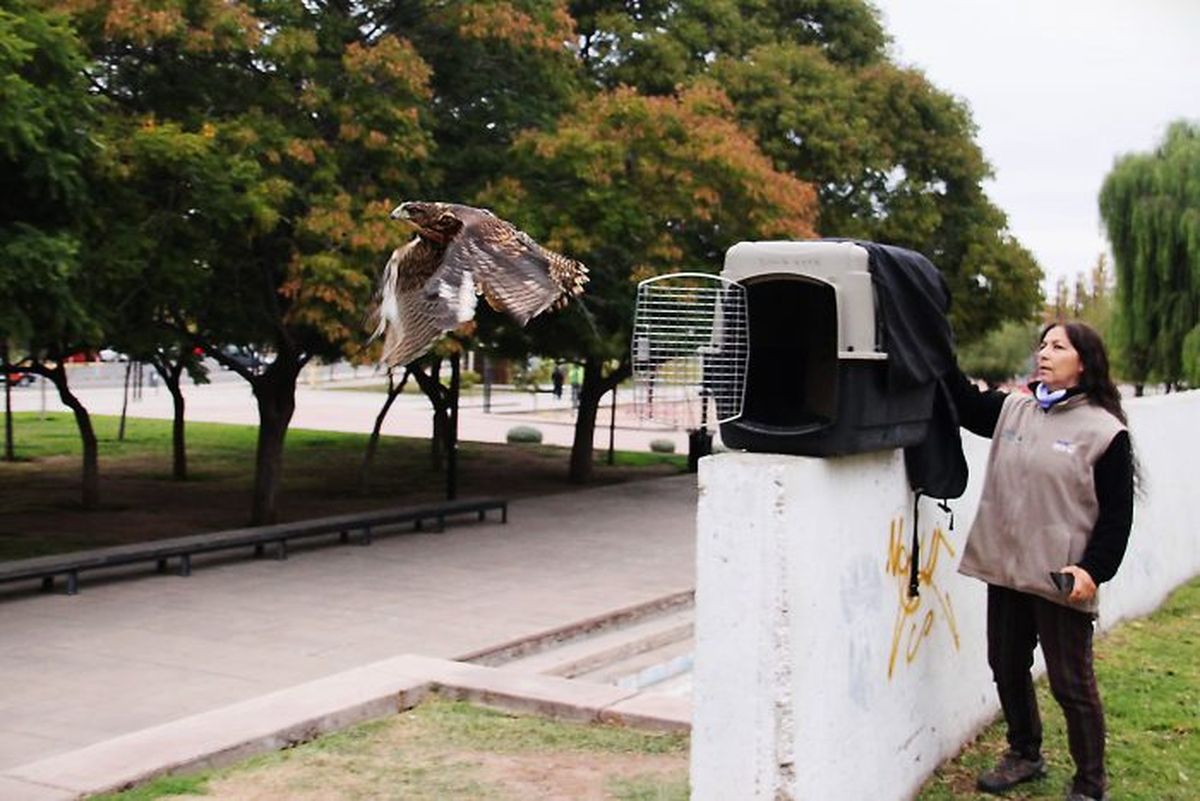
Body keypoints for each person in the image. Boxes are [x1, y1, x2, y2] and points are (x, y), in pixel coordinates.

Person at [950, 321, 1135, 801]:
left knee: (1071, 684)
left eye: (1058, 346)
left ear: (1083, 363)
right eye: (1043, 345)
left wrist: (1093, 571)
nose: (1044, 353)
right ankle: (1024, 753)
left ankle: (1090, 783)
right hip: (1006, 569)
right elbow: (962, 401)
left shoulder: (1105, 431)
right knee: (1006, 665)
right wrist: (931, 338)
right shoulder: (1014, 410)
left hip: (1061, 577)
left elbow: (1117, 515)